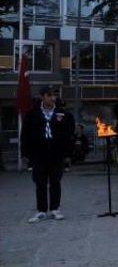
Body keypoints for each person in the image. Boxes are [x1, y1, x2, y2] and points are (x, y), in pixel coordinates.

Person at [21, 85, 74, 223]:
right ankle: (41, 210)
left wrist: (68, 153)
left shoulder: (63, 114)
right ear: (42, 96)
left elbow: (69, 134)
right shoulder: (32, 114)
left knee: (55, 182)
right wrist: (25, 153)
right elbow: (25, 134)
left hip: (56, 154)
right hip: (39, 154)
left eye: (54, 95)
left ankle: (55, 208)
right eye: (49, 95)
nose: (53, 98)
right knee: (40, 183)